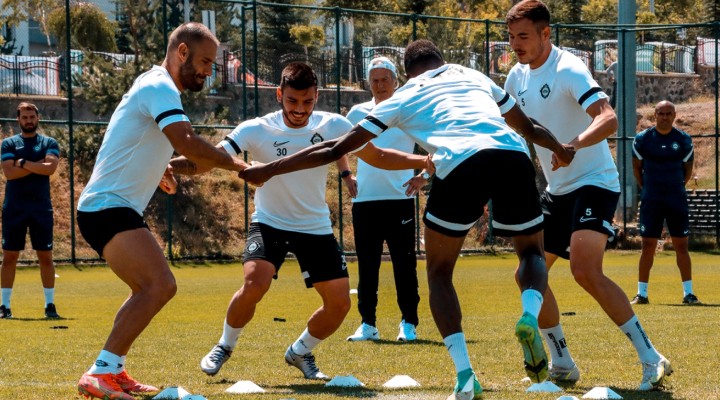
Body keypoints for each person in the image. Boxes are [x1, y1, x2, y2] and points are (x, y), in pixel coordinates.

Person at [240, 39, 575, 400]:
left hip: (458, 162)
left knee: (440, 273)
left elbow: (336, 148)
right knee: (531, 253)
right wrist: (561, 150)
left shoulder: (405, 95)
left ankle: (465, 375)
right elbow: (528, 127)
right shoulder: (473, 76)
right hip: (512, 155)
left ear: (407, 74)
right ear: (441, 61)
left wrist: (270, 168)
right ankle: (529, 315)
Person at [168, 62, 427, 381]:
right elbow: (208, 159)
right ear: (279, 94)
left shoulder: (335, 125)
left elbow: (379, 156)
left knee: (339, 304)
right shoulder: (256, 128)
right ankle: (225, 345)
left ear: (317, 96)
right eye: (292, 101)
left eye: (307, 101)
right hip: (269, 222)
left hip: (314, 227)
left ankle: (301, 351)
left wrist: (425, 160)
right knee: (255, 282)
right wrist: (167, 166)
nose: (300, 109)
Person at [504, 0, 671, 391]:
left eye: (523, 36)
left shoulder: (568, 68)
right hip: (557, 190)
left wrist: (572, 146)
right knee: (528, 273)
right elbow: (506, 130)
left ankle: (652, 357)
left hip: (595, 181)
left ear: (546, 33)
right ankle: (562, 362)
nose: (515, 45)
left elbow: (608, 118)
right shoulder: (515, 77)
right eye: (511, 37)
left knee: (584, 269)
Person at [75, 22, 248, 400]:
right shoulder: (159, 86)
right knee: (160, 285)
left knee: (146, 288)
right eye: (205, 61)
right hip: (107, 207)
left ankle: (113, 369)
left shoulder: (156, 86)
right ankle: (100, 372)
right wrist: (240, 166)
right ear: (182, 52)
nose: (208, 71)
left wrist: (160, 170)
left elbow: (141, 144)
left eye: (212, 64)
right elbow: (188, 143)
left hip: (106, 208)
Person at [345, 57, 425, 343]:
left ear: (395, 81)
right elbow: (338, 144)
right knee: (367, 266)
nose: (380, 85)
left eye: (385, 80)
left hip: (400, 200)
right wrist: (346, 174)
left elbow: (436, 145)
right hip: (365, 202)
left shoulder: (409, 112)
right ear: (369, 83)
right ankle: (368, 324)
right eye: (375, 80)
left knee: (405, 265)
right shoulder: (357, 113)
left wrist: (424, 176)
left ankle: (408, 323)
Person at [631, 101, 699, 305]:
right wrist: (649, 189)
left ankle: (689, 294)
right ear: (655, 114)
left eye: (669, 113)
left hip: (676, 199)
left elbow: (687, 170)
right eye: (661, 113)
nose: (665, 117)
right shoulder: (642, 139)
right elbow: (637, 169)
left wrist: (674, 187)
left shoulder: (683, 140)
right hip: (651, 199)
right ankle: (641, 294)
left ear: (674, 115)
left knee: (681, 246)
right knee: (647, 245)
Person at [1, 102, 60, 320]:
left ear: (38, 118)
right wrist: (37, 165)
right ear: (18, 119)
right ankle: (4, 306)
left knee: (45, 256)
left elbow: (50, 168)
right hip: (14, 208)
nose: (29, 121)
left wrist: (23, 162)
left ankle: (50, 305)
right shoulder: (8, 143)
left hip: (41, 208)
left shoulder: (49, 142)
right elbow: (9, 173)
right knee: (9, 257)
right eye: (24, 117)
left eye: (32, 117)